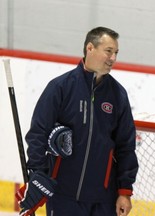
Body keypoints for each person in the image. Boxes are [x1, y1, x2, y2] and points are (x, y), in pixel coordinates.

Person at [19, 27, 139, 216]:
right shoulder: (60, 87)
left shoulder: (118, 94)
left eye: (116, 53)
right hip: (62, 195)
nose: (113, 58)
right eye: (108, 51)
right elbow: (37, 135)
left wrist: (125, 191)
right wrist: (37, 175)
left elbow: (126, 146)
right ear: (90, 48)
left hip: (104, 199)